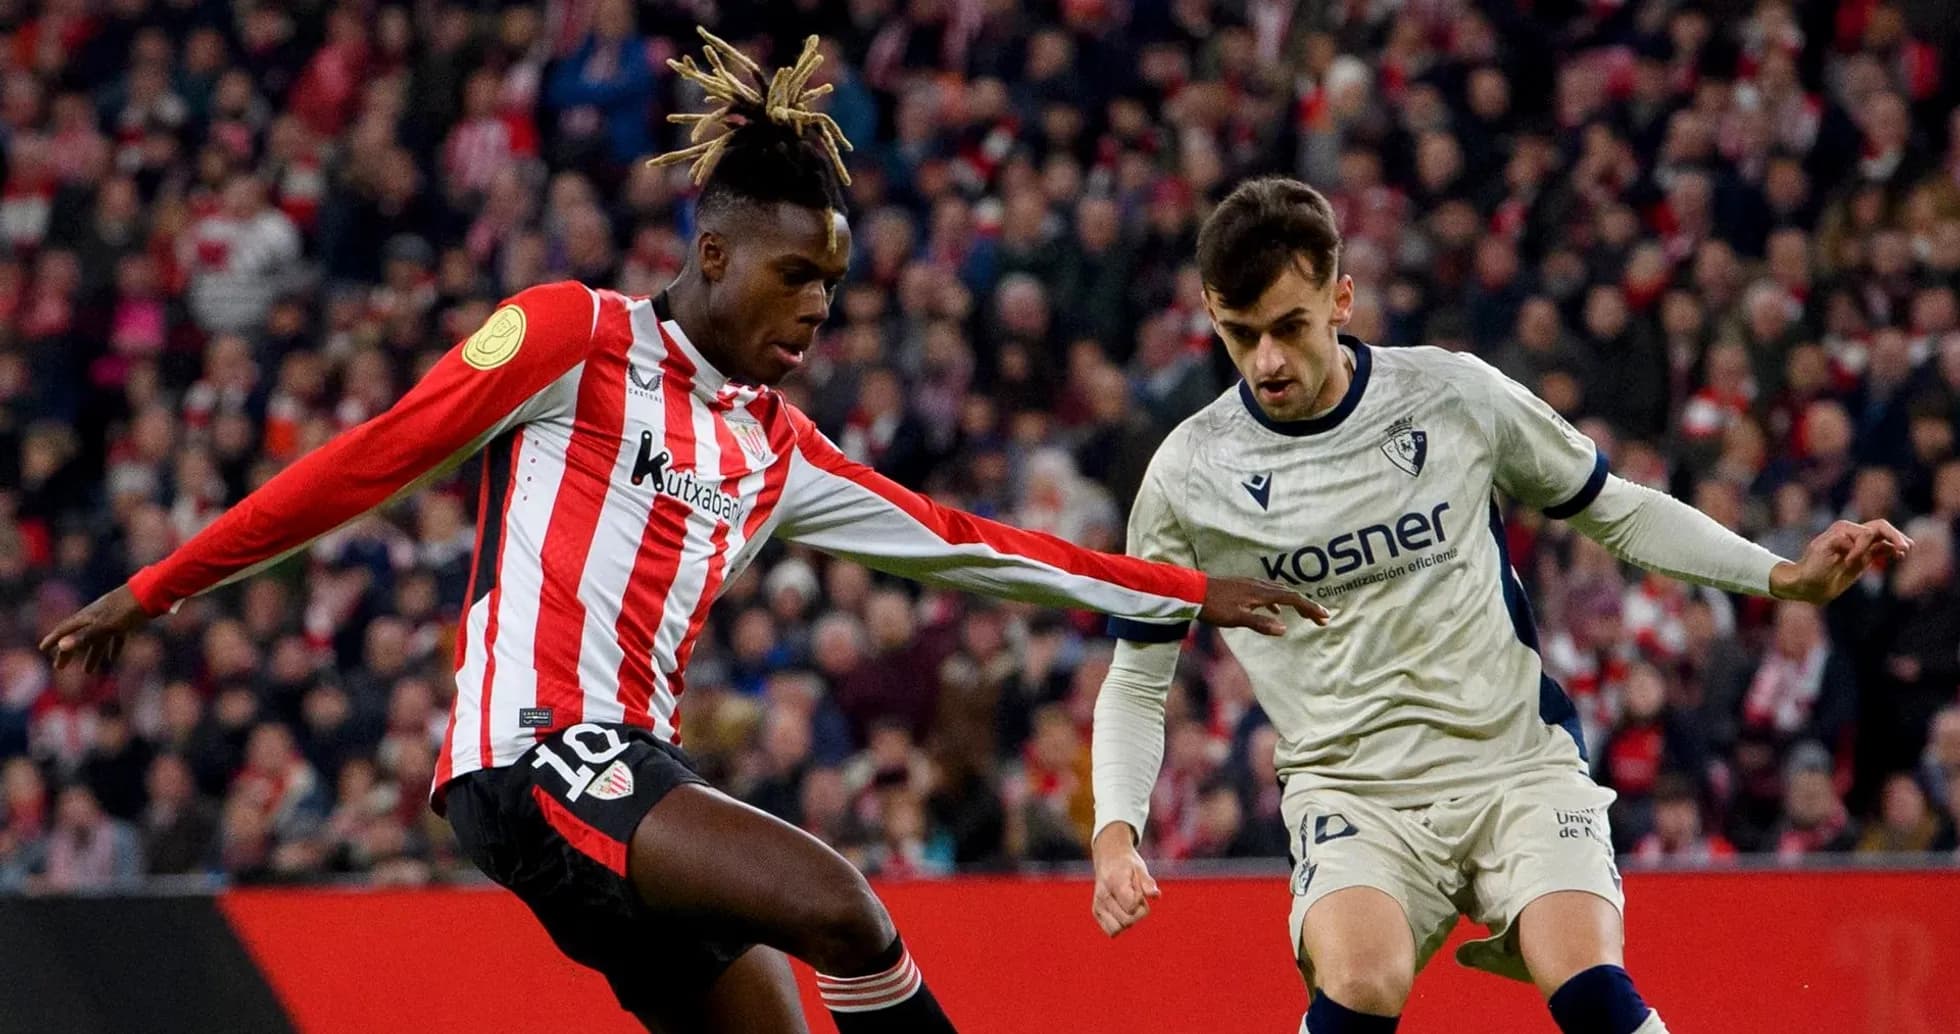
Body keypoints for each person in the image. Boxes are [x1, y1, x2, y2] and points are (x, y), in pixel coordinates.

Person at [39, 33, 1319, 1034]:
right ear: (711, 251)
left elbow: (974, 543)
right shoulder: (571, 336)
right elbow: (367, 459)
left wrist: (1182, 587)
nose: (818, 306)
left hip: (633, 786)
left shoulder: (771, 446)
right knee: (847, 910)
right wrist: (153, 588)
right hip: (533, 757)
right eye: (795, 275)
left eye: (832, 282)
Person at [1086, 177, 1910, 1034]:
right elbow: (1140, 678)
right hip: (1352, 788)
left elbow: (1617, 508)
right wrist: (1116, 832)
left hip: (1513, 760)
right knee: (1362, 984)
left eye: (1289, 327)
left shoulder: (1453, 397)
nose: (1266, 362)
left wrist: (1781, 577)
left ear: (1341, 298)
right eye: (1239, 334)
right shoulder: (1190, 474)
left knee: (1588, 983)